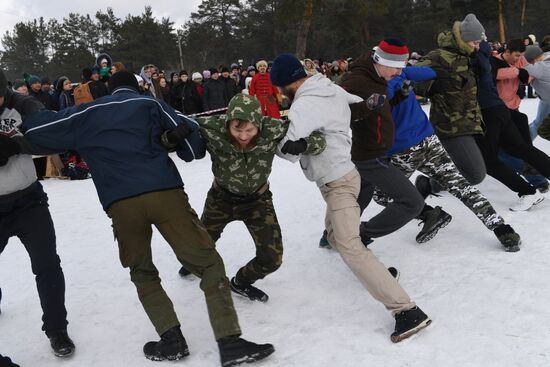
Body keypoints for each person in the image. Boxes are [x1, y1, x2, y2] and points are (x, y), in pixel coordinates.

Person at [5, 71, 274, 365]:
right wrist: (168, 140)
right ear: (137, 88)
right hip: (165, 194)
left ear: (107, 90)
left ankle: (171, 339)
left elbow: (40, 130)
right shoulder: (150, 105)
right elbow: (193, 150)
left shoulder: (86, 112)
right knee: (208, 263)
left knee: (142, 270)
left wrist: (15, 142)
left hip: (120, 204)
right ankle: (230, 342)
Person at [270, 53, 431, 343]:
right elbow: (357, 104)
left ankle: (406, 310)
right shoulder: (327, 86)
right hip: (345, 174)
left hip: (338, 183)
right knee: (334, 237)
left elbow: (286, 150)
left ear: (284, 85)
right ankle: (379, 273)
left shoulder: (304, 104)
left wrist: (277, 137)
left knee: (349, 246)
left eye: (279, 89)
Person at [175, 94, 326, 301]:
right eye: (237, 129)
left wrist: (303, 144)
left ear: (259, 125)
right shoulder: (211, 127)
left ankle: (241, 282)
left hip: (258, 201)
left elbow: (320, 138)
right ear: (227, 123)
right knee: (200, 247)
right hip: (221, 199)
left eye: (249, 130)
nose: (243, 136)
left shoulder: (273, 129)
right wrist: (175, 135)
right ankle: (193, 264)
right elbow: (172, 121)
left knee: (272, 258)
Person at [373, 65, 521, 251]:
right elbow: (429, 72)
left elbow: (429, 73)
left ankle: (427, 213)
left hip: (405, 151)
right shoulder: (396, 77)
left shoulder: (383, 84)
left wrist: (398, 76)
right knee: (461, 187)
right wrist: (402, 74)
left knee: (381, 194)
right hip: (428, 142)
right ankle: (502, 230)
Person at [0, 70, 75, 357]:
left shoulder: (24, 105)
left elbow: (55, 139)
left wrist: (15, 144)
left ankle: (57, 329)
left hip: (28, 201)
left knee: (47, 265)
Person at [473, 40, 550, 210]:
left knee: (520, 150)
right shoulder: (491, 61)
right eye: (516, 56)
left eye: (521, 57)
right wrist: (515, 71)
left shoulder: (519, 60)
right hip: (498, 111)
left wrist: (522, 72)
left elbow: (528, 74)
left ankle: (535, 184)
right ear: (507, 51)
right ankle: (534, 183)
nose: (518, 59)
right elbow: (496, 74)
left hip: (507, 112)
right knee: (510, 152)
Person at [414, 14, 487, 193]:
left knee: (469, 168)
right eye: (475, 43)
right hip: (450, 126)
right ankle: (427, 186)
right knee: (476, 175)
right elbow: (412, 78)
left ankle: (432, 183)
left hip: (470, 122)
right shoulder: (438, 57)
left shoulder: (467, 56)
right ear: (464, 39)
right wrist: (433, 86)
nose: (477, 47)